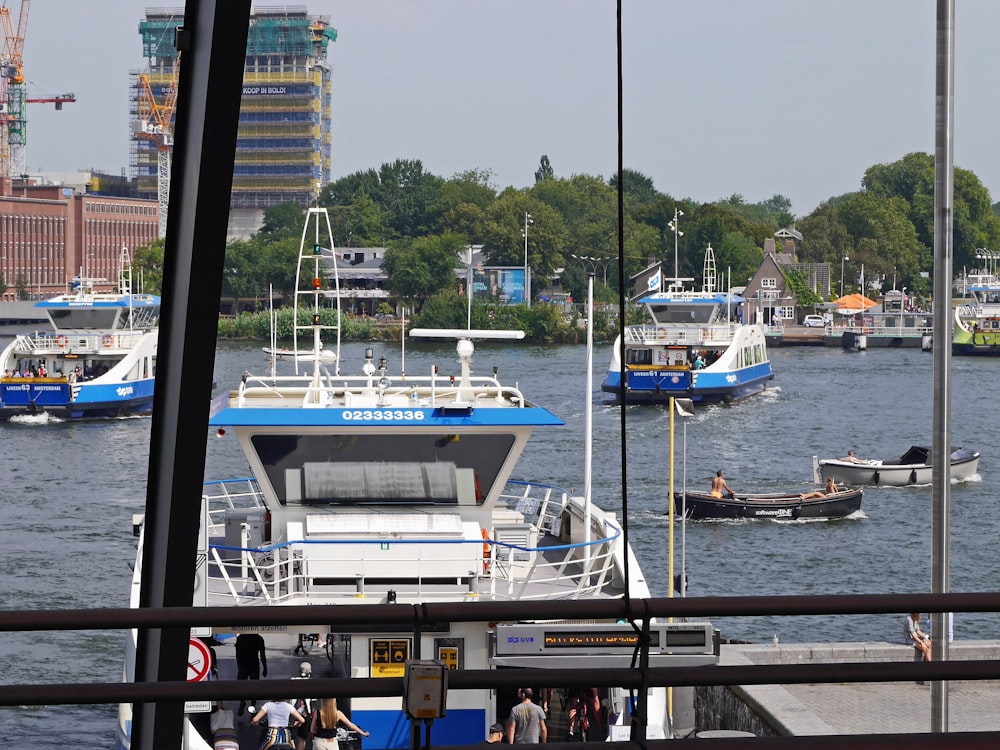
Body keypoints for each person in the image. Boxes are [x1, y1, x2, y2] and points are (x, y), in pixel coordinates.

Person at [236, 632, 268, 715]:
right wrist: (265, 667)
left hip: (243, 665)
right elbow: (262, 654)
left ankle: (242, 701)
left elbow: (237, 654)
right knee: (254, 686)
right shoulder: (259, 639)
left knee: (240, 685)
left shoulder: (241, 638)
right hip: (254, 665)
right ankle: (252, 706)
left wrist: (239, 665)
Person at [292, 662, 317, 750]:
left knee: (292, 737)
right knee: (302, 738)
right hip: (306, 714)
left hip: (293, 712)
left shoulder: (292, 681)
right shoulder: (312, 683)